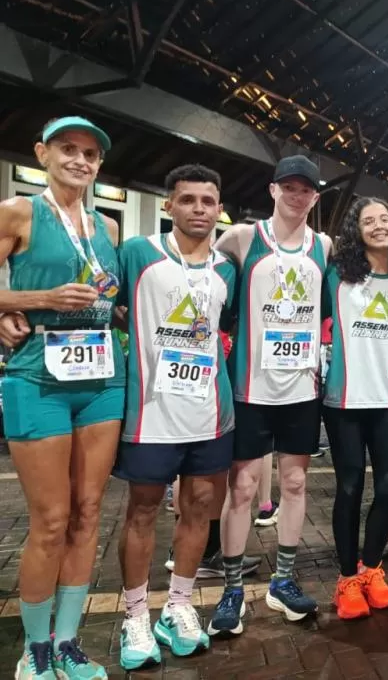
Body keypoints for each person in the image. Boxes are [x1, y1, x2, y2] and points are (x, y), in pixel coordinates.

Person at [0, 116, 125, 679]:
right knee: (50, 519)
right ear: (42, 154)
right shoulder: (18, 212)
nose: (80, 160)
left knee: (89, 511)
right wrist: (31, 299)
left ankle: (69, 641)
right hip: (36, 380)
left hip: (102, 382)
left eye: (90, 154)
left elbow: (110, 299)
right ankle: (35, 649)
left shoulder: (107, 227)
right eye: (68, 149)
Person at [112, 164, 236, 668]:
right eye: (188, 200)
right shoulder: (138, 253)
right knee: (141, 511)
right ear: (169, 205)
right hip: (150, 413)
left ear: (218, 207)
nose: (199, 210)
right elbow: (109, 305)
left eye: (208, 201)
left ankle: (179, 606)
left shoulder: (227, 267)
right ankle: (136, 614)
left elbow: (225, 326)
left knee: (200, 507)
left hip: (209, 413)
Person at [208, 156, 332, 636]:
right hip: (251, 388)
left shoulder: (323, 245)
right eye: (290, 187)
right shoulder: (242, 238)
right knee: (242, 489)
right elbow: (203, 279)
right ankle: (232, 588)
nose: (297, 196)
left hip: (301, 389)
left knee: (296, 486)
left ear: (315, 198)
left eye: (306, 190)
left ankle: (283, 580)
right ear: (273, 190)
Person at [321, 197, 388, 619]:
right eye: (369, 220)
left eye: (385, 218)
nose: (378, 226)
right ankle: (346, 579)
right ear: (356, 230)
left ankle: (371, 569)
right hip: (344, 401)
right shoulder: (337, 275)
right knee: (350, 488)